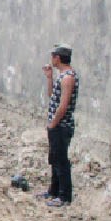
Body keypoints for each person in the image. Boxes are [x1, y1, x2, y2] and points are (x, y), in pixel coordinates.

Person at [37, 43, 79, 208]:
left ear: (58, 58)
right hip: (56, 125)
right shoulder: (62, 76)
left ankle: (64, 196)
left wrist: (53, 123)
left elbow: (63, 105)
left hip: (61, 126)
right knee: (54, 158)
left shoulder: (68, 77)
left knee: (61, 160)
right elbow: (52, 96)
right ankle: (53, 191)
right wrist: (49, 78)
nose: (51, 60)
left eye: (53, 56)